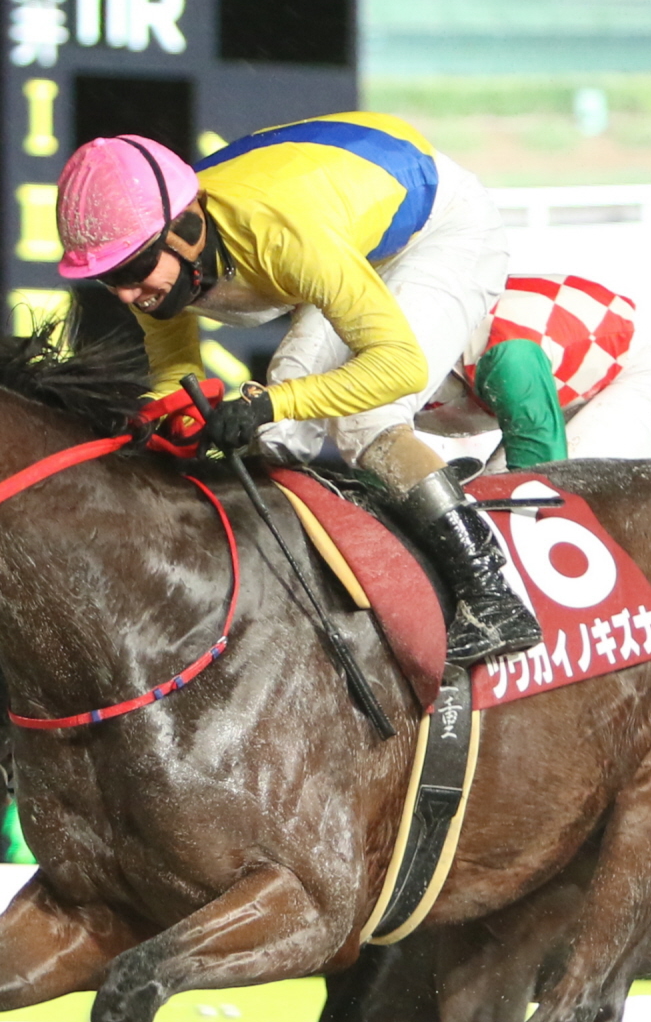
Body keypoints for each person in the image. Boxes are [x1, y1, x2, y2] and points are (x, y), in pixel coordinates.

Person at [52, 116, 542, 666]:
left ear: (187, 229)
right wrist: (165, 417)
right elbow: (174, 366)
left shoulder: (282, 237)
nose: (123, 293)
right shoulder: (169, 252)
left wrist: (266, 401)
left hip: (440, 230)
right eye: (108, 277)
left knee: (367, 419)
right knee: (279, 435)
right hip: (346, 231)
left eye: (135, 269)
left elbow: (399, 366)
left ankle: (492, 594)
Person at [416, 272, 651, 471]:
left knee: (522, 495)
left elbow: (542, 475)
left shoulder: (508, 359)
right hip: (548, 358)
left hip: (641, 371)